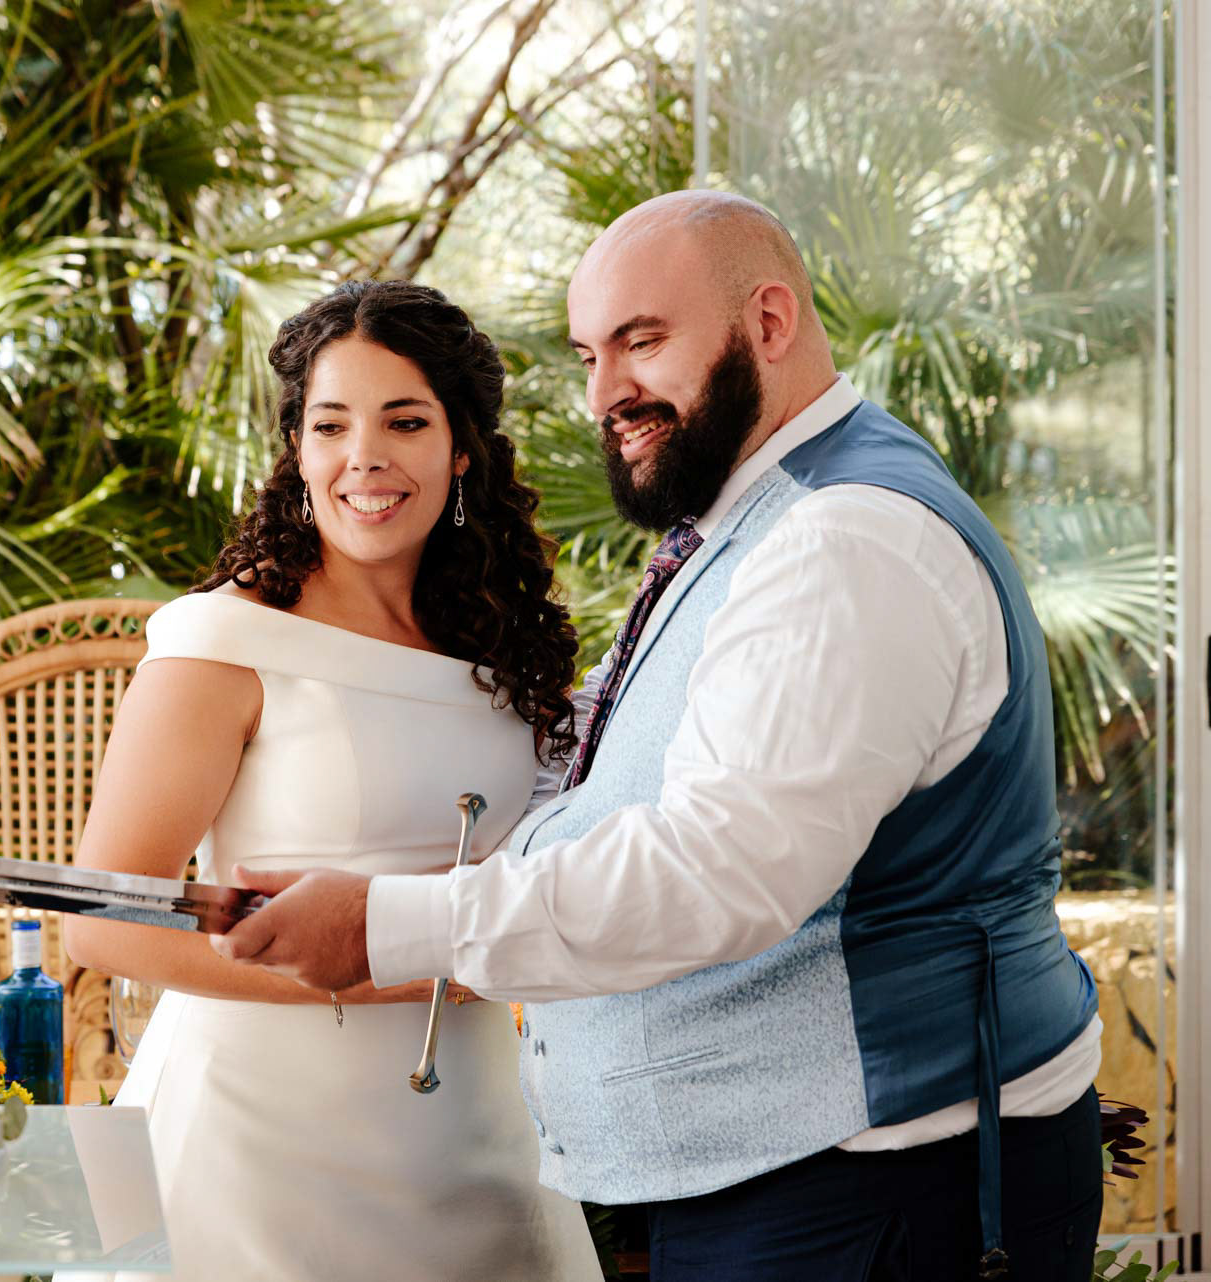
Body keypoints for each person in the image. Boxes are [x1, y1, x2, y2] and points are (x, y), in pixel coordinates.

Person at [214, 191, 1104, 1282]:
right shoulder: (753, 516)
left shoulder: (840, 540)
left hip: (875, 1186)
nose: (606, 394)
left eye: (643, 342)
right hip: (796, 1181)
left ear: (769, 324)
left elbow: (720, 872)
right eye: (591, 353)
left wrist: (388, 925)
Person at [60, 280, 601, 1282]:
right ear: (298, 451)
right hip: (258, 1165)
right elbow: (101, 920)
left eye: (405, 420)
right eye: (332, 424)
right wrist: (398, 963)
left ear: (462, 445)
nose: (367, 457)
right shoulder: (223, 641)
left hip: (476, 1145)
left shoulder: (504, 645)